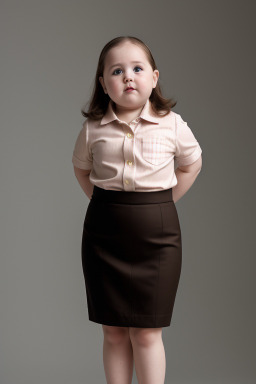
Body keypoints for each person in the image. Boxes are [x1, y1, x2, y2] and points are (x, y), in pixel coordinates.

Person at [72, 35, 202, 384]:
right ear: (103, 84)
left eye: (137, 68)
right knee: (113, 331)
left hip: (157, 238)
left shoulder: (173, 124)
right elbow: (82, 169)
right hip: (103, 236)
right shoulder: (92, 129)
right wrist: (104, 204)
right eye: (117, 70)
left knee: (146, 333)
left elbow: (192, 164)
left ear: (154, 78)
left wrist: (164, 201)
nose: (128, 76)